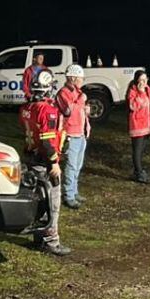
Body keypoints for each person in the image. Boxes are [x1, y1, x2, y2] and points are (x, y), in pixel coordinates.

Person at [19, 69, 72, 256]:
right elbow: (47, 141)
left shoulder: (26, 108)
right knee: (53, 201)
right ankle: (51, 240)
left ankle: (38, 237)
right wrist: (54, 162)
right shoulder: (46, 110)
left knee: (40, 200)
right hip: (44, 160)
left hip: (31, 157)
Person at [55, 64, 90, 209]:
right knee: (71, 165)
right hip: (71, 133)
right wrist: (82, 102)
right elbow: (68, 110)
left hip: (80, 133)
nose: (82, 81)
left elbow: (79, 109)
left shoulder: (78, 93)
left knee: (78, 165)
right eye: (81, 78)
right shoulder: (64, 92)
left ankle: (74, 191)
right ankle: (68, 195)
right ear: (73, 78)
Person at [127, 69, 150, 184]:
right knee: (137, 150)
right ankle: (140, 173)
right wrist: (140, 93)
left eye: (145, 79)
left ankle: (137, 172)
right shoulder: (133, 91)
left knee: (141, 150)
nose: (143, 82)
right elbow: (133, 107)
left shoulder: (149, 89)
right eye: (141, 80)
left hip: (148, 124)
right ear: (136, 80)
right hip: (138, 125)